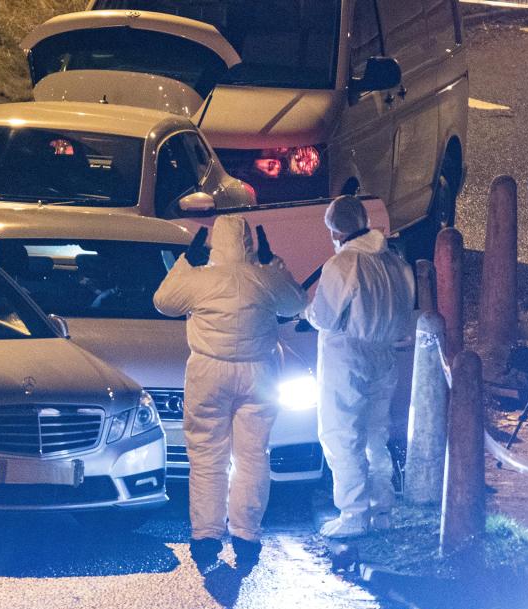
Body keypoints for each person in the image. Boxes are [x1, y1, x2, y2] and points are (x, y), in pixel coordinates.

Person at [154, 215, 306, 568]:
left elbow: (163, 301)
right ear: (250, 243)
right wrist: (273, 263)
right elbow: (295, 302)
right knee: (253, 456)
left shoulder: (201, 280)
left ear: (213, 243)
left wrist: (185, 263)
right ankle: (246, 534)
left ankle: (206, 535)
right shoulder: (264, 279)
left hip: (209, 371)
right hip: (259, 373)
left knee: (207, 457)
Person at [307, 195, 416, 538]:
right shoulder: (394, 262)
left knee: (343, 437)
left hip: (347, 360)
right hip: (385, 358)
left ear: (336, 231)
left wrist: (303, 312)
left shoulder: (343, 265)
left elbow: (324, 316)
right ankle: (383, 509)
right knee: (375, 436)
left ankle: (354, 515)